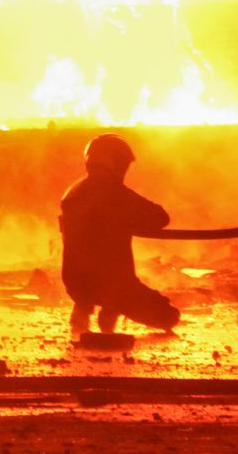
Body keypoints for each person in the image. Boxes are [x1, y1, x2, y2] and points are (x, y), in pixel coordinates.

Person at [60, 133, 180, 335]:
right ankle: (112, 308)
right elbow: (160, 217)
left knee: (95, 287)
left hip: (75, 282)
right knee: (169, 317)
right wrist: (132, 221)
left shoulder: (73, 192)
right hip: (116, 286)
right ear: (115, 163)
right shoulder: (114, 192)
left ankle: (83, 310)